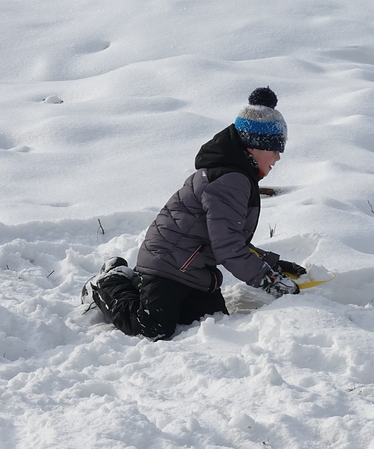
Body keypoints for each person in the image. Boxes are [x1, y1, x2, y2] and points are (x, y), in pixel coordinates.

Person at [81, 87, 305, 340]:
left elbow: (230, 237)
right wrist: (267, 278)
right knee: (155, 327)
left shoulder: (237, 176)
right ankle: (108, 282)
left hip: (194, 269)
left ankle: (135, 285)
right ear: (253, 147)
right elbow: (228, 246)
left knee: (209, 321)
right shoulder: (230, 180)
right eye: (274, 149)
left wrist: (272, 264)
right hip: (166, 263)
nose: (278, 157)